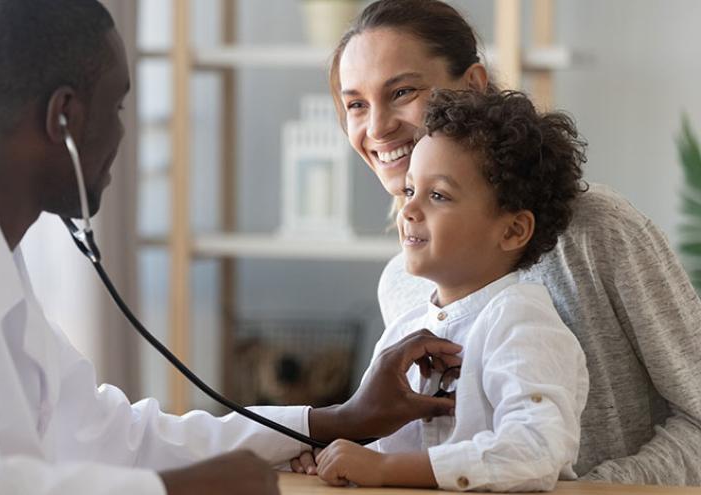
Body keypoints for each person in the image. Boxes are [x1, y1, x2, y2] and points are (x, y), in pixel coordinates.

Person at [0, 1, 466, 494]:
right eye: (118, 107)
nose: (124, 135)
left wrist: (333, 419)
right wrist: (174, 490)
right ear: (65, 118)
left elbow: (111, 434)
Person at [293, 0, 701, 486]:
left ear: (473, 86)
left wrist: (589, 490)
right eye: (356, 103)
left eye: (402, 91)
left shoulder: (597, 231)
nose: (377, 127)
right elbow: (437, 452)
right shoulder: (405, 284)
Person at [315, 88, 590, 490]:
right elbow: (386, 452)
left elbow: (535, 451)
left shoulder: (522, 324)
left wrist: (382, 470)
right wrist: (336, 456)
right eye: (410, 190)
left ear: (513, 230)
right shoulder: (403, 332)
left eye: (438, 195)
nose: (408, 209)